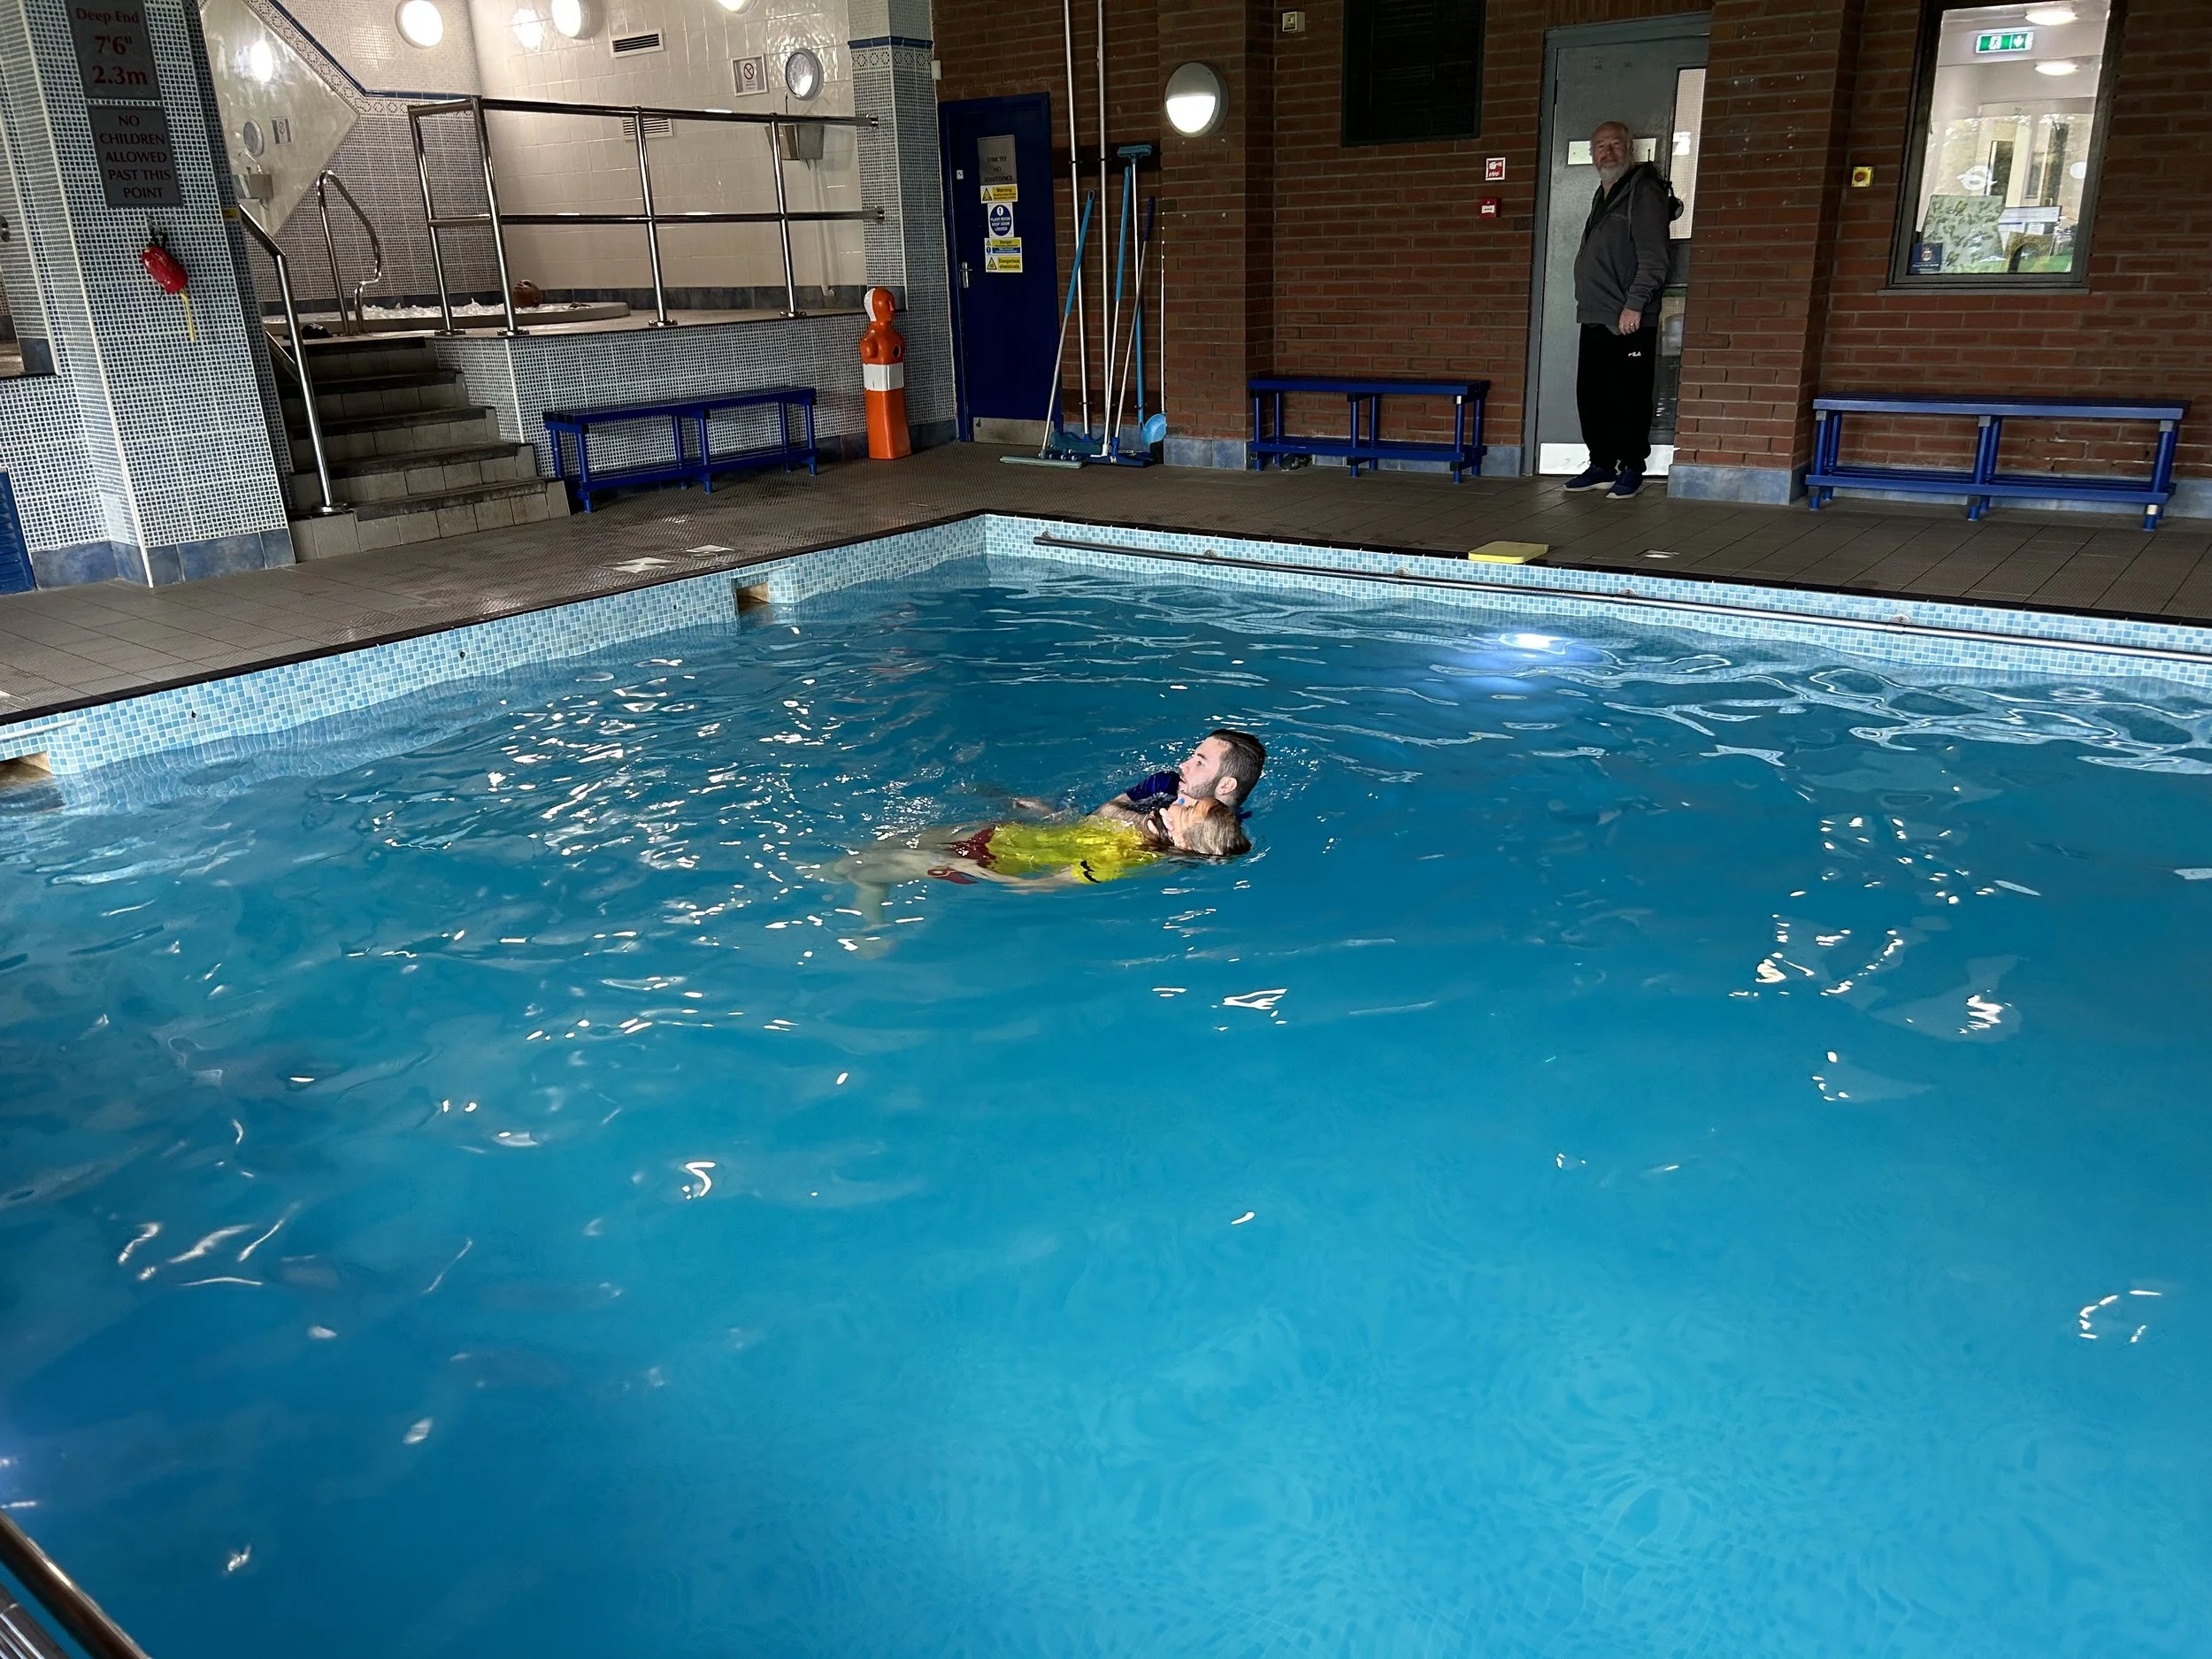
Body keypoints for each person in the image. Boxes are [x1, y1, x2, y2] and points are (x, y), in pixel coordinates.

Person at [833, 794, 1248, 926]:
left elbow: (1042, 885)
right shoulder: (1141, 827)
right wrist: (1049, 813)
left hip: (986, 856)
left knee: (867, 867)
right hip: (1000, 833)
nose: (1182, 799)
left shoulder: (1118, 861)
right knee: (882, 848)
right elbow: (1076, 834)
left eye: (1188, 808)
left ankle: (870, 918)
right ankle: (863, 890)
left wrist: (973, 870)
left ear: (1181, 837)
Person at [1566, 120, 1671, 501]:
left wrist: (1635, 304)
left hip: (1628, 318)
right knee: (1593, 394)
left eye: (1614, 145)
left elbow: (1654, 258)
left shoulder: (1643, 193)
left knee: (1629, 396)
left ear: (1630, 149)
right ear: (1592, 154)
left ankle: (1632, 467)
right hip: (1595, 314)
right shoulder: (1605, 194)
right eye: (1600, 146)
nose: (1607, 152)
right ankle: (1601, 465)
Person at [1094, 728, 1268, 825]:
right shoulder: (1166, 784)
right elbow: (1104, 811)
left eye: (1200, 763)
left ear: (1226, 786)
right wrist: (1151, 825)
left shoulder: (1226, 833)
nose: (1183, 765)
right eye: (1193, 757)